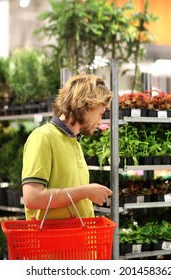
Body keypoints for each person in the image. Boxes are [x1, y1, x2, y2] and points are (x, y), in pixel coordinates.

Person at [22, 74, 113, 220]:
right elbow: (32, 198)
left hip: (76, 240)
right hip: (53, 241)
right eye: (100, 114)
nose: (100, 122)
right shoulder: (43, 137)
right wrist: (85, 192)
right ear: (87, 106)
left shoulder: (74, 142)